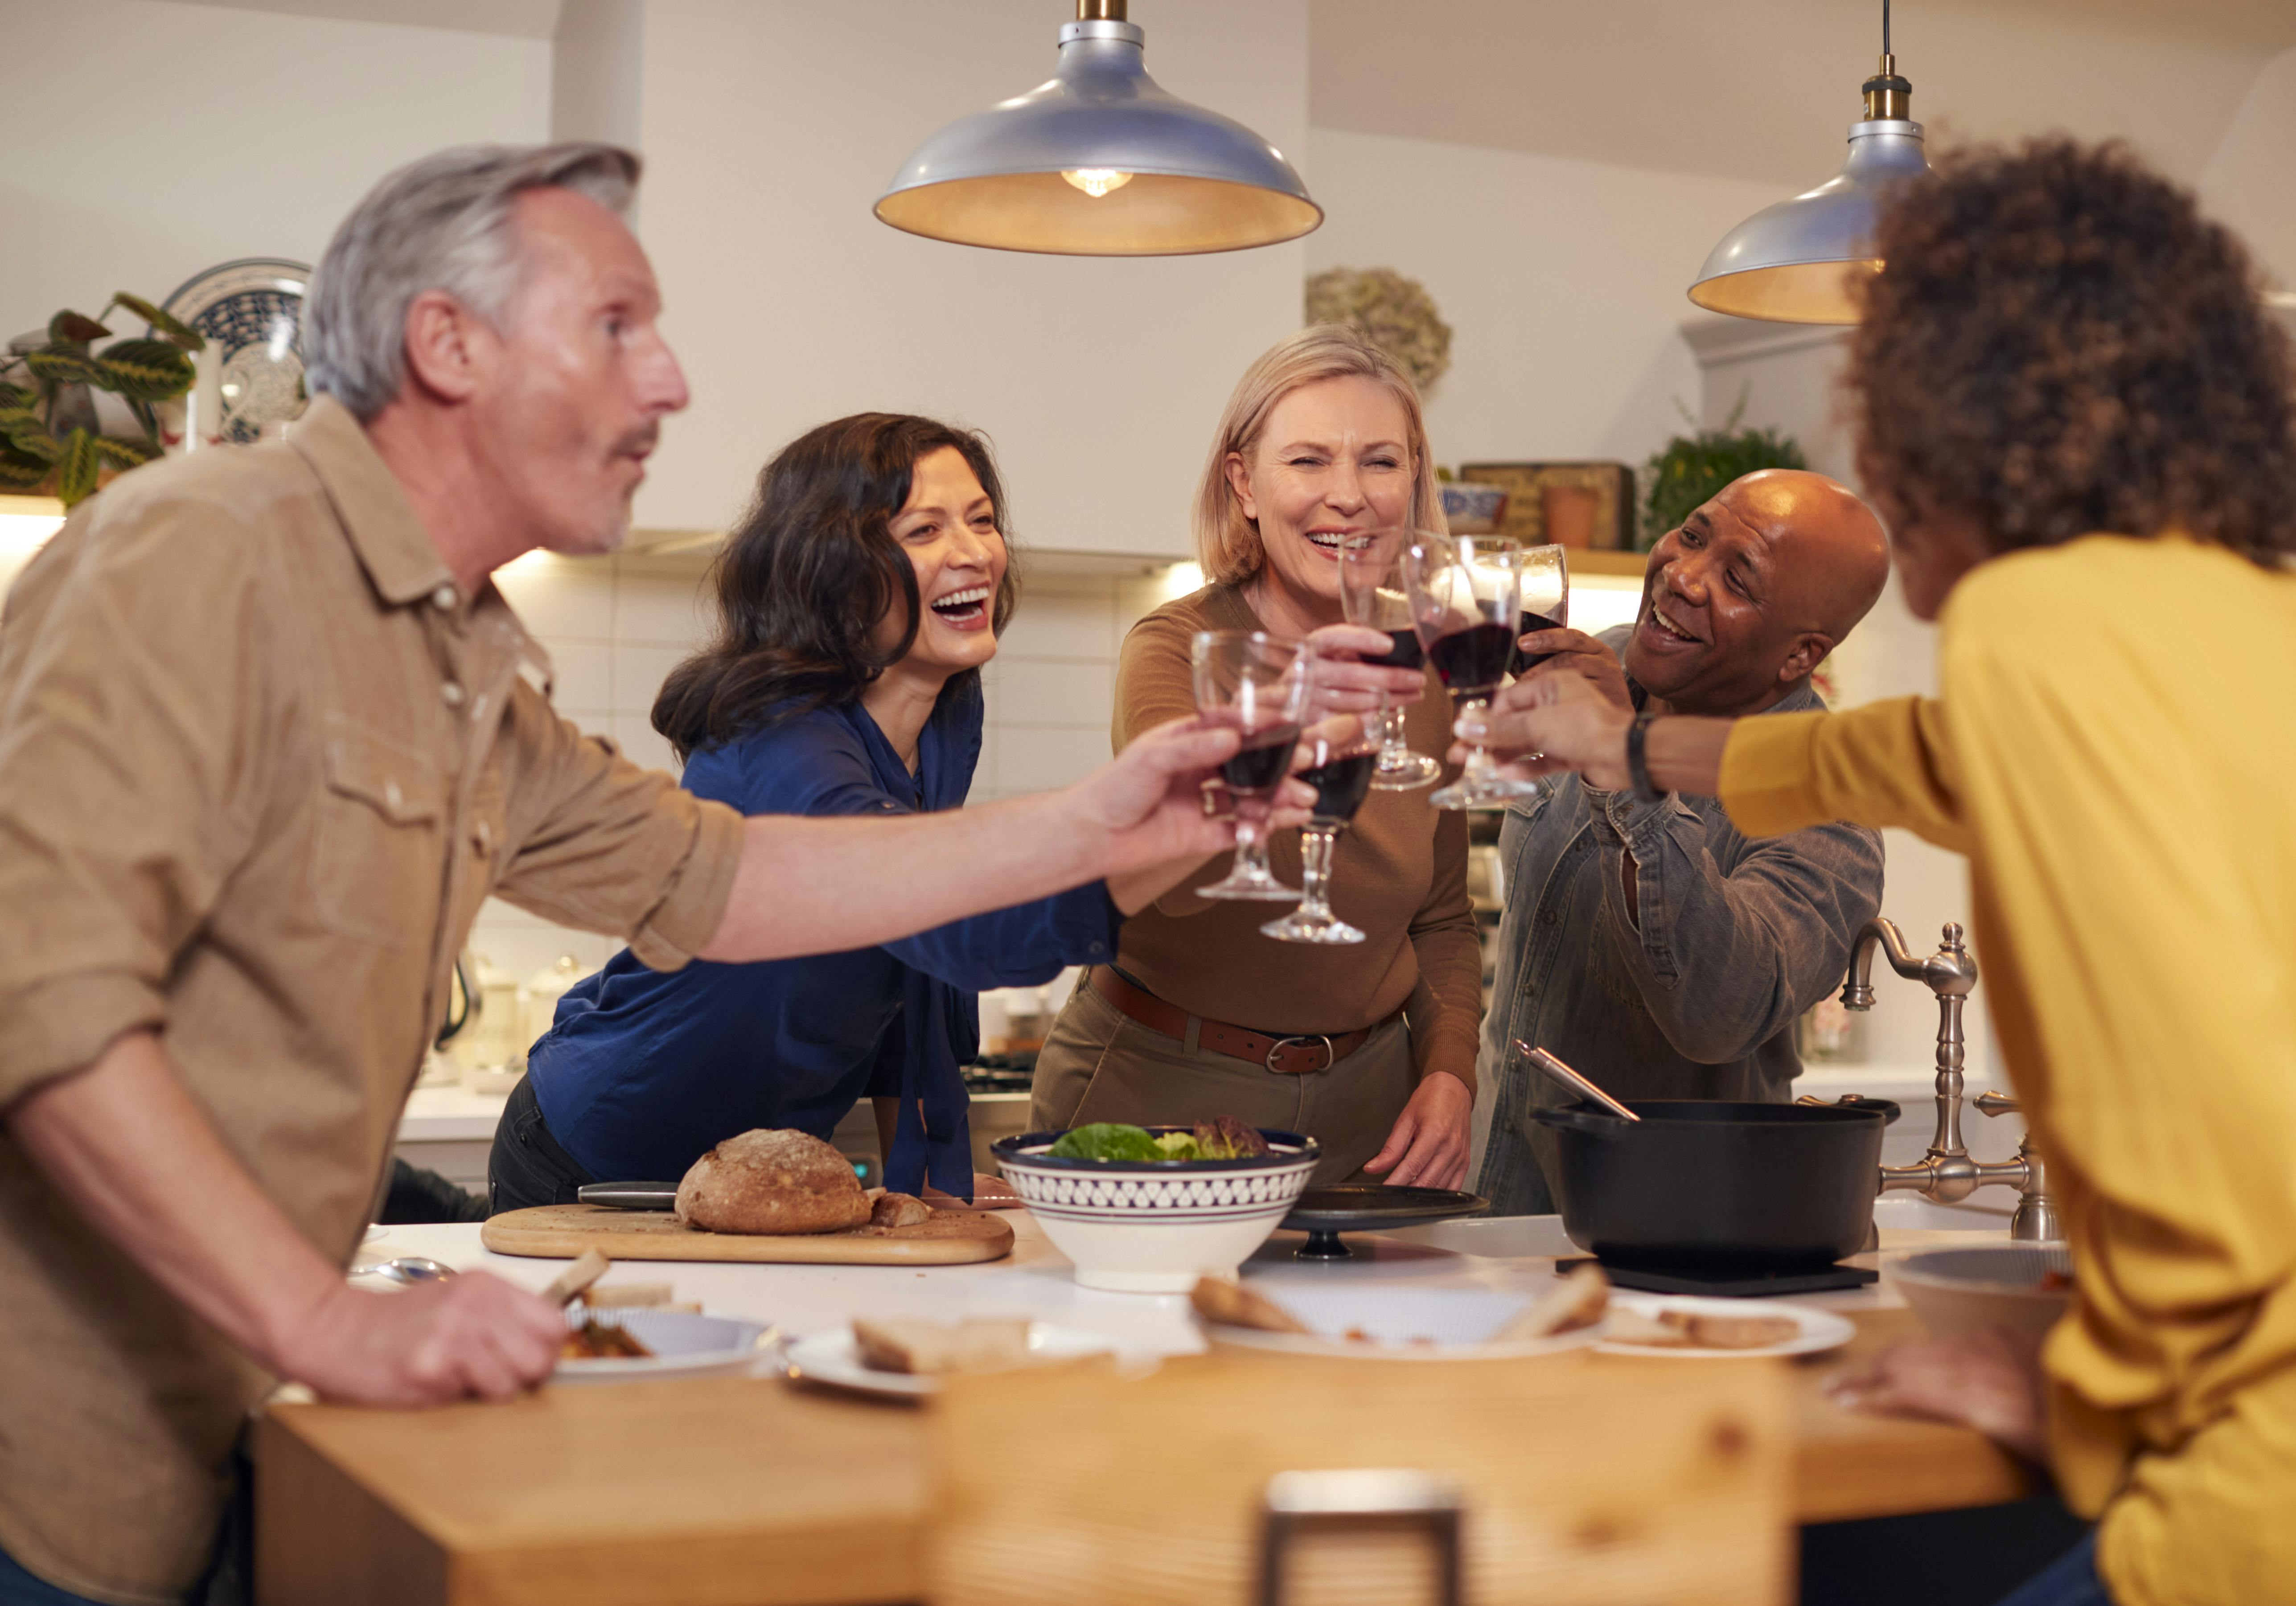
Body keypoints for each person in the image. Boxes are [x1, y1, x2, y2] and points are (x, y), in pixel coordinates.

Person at [0, 143, 1292, 1606]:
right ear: (448, 344)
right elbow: (40, 999)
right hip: (46, 1462)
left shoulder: (462, 657)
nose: (669, 379)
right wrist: (324, 1321)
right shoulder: (202, 549)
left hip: (210, 1436)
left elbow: (723, 881)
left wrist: (1104, 823)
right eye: (617, 324)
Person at [1467, 141, 2296, 1606]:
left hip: (2272, 1498)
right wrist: (1634, 752)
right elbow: (1896, 759)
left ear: (1936, 417)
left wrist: (2074, 1398)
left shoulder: (2041, 623)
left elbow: (2211, 1126)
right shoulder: (2275, 621)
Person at [490, 412, 1201, 1211]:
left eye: (982, 520)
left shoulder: (944, 718)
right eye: (924, 529)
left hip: (757, 1165)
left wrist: (933, 1175)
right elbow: (954, 923)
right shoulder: (781, 745)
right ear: (835, 566)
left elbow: (908, 965)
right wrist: (1192, 820)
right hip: (609, 1146)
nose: (974, 552)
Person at [1032, 325, 1477, 1189]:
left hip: (1370, 1110)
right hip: (1160, 1085)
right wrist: (1304, 730)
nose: (1347, 496)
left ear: (1415, 477)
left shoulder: (1438, 660)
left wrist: (1450, 1069)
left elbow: (1443, 918)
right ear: (1243, 482)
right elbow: (1178, 881)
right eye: (1308, 461)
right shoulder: (1180, 649)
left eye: (1381, 462)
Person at [1470, 469, 1889, 1216]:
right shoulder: (1602, 662)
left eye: (1738, 579)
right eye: (1694, 536)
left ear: (1799, 657)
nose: (1684, 576)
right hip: (1496, 1212)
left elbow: (1717, 1012)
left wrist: (1620, 763)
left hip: (1665, 1236)